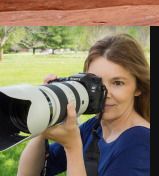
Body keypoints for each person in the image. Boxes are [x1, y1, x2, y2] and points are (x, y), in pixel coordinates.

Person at [17, 34, 151, 176]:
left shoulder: (141, 142)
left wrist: (72, 147)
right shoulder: (96, 127)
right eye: (96, 83)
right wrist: (46, 117)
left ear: (138, 88)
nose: (104, 94)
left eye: (117, 83)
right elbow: (29, 173)